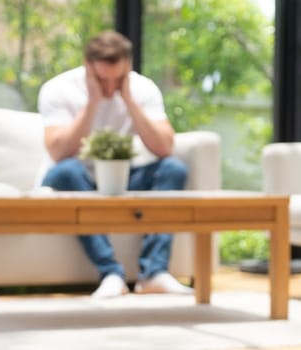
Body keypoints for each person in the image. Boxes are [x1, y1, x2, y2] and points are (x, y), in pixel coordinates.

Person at [38, 31, 192, 298]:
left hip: (122, 179)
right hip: (77, 180)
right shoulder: (58, 88)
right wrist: (93, 102)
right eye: (101, 79)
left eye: (117, 79)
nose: (110, 88)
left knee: (173, 168)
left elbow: (164, 147)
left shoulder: (142, 89)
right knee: (66, 171)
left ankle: (154, 273)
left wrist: (129, 100)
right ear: (88, 67)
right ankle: (111, 273)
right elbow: (59, 152)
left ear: (128, 67)